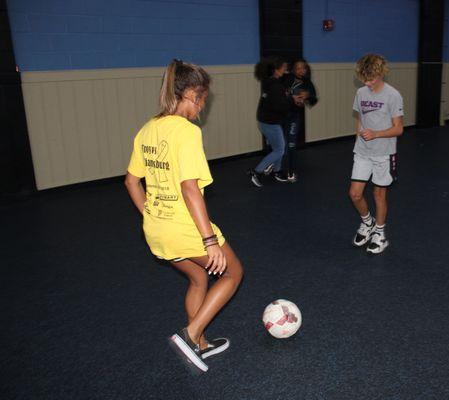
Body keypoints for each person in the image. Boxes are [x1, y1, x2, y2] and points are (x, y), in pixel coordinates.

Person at [124, 59, 244, 372]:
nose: (202, 107)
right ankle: (190, 335)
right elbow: (190, 188)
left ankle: (201, 344)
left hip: (156, 228)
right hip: (185, 228)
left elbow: (131, 182)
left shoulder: (148, 128)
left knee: (198, 277)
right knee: (233, 273)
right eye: (202, 99)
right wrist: (209, 241)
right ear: (191, 93)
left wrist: (151, 214)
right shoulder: (186, 132)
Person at [349, 54, 404, 254]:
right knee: (355, 194)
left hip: (384, 153)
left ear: (380, 73)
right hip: (363, 151)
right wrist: (360, 136)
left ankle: (380, 233)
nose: (367, 83)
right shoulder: (361, 93)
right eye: (364, 79)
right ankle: (368, 222)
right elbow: (360, 118)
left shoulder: (393, 95)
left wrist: (376, 134)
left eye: (371, 79)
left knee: (378, 194)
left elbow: (399, 129)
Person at [248, 56, 302, 187]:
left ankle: (277, 172)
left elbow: (278, 98)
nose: (286, 69)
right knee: (279, 150)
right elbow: (280, 105)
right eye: (284, 68)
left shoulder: (270, 82)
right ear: (277, 70)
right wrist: (293, 100)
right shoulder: (275, 85)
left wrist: (289, 97)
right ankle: (256, 172)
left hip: (266, 121)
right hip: (270, 123)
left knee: (278, 147)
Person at [282, 59, 318, 182]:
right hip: (281, 116)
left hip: (294, 117)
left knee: (291, 144)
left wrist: (307, 96)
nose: (301, 70)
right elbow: (278, 93)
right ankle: (275, 167)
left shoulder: (308, 83)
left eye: (303, 68)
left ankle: (291, 171)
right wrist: (291, 96)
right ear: (293, 69)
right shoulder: (286, 78)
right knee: (280, 146)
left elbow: (314, 100)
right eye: (298, 68)